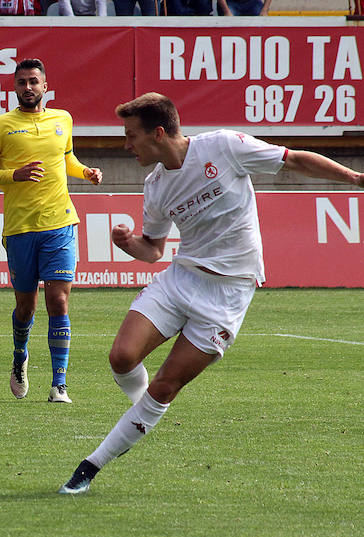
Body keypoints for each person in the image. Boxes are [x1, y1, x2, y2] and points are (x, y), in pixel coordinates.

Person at [59, 92, 364, 495]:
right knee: (121, 357)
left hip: (228, 295)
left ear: (159, 133)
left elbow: (292, 159)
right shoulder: (155, 186)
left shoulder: (223, 146)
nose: (126, 144)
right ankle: (138, 417)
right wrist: (127, 243)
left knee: (165, 387)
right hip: (181, 279)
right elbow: (152, 249)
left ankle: (91, 465)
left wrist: (356, 180)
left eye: (132, 135)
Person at [0, 58, 103, 404]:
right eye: (21, 83)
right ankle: (20, 356)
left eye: (33, 82)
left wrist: (85, 171)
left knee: (58, 300)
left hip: (60, 223)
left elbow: (67, 159)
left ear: (45, 86)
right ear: (14, 88)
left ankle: (59, 383)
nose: (27, 88)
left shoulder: (63, 119)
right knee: (26, 307)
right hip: (20, 229)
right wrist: (12, 175)